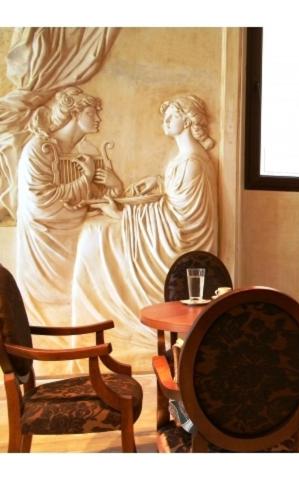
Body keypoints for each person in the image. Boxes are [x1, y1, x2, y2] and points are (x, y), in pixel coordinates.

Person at [71, 94, 218, 370]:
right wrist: (157, 182)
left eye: (172, 116)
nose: (166, 121)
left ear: (188, 120)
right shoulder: (186, 158)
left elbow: (180, 219)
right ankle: (94, 322)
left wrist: (123, 214)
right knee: (95, 229)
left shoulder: (193, 161)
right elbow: (175, 199)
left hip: (177, 240)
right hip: (164, 228)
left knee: (95, 234)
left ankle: (109, 321)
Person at [16, 87, 121, 351]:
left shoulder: (83, 151)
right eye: (91, 113)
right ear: (74, 114)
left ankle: (92, 339)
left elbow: (94, 195)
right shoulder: (39, 149)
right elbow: (41, 201)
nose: (98, 118)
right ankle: (58, 351)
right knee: (52, 308)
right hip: (46, 239)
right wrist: (85, 179)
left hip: (73, 233)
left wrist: (114, 186)